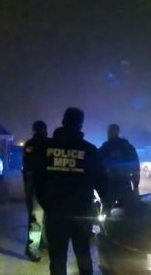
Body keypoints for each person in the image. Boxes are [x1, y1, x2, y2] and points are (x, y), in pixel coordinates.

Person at [35, 108, 107, 275]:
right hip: (81, 214)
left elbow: (37, 180)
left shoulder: (46, 148)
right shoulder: (89, 150)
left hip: (56, 214)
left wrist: (47, 204)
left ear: (63, 120)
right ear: (80, 124)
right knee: (83, 256)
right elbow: (102, 182)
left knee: (57, 259)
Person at [99, 124, 140, 212]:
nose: (109, 134)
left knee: (106, 214)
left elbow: (98, 169)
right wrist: (136, 186)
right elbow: (135, 167)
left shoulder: (104, 149)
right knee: (129, 213)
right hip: (123, 185)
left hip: (110, 186)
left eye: (109, 132)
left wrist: (100, 191)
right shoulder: (127, 147)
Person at [22, 120, 48, 262]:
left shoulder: (29, 145)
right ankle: (33, 248)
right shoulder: (46, 144)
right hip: (40, 185)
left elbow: (27, 167)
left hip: (34, 185)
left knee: (35, 217)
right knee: (38, 218)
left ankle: (35, 245)